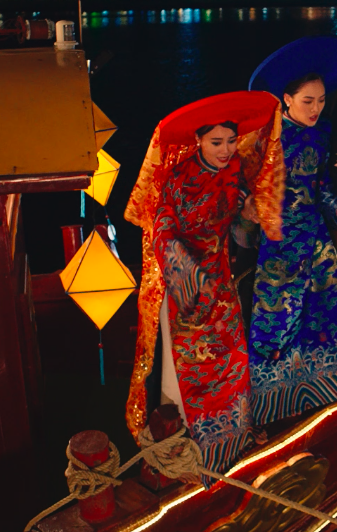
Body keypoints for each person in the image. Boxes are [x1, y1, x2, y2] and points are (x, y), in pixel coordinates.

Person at [123, 91, 284, 476]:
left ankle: (235, 431)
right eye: (216, 142)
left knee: (232, 357)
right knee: (192, 365)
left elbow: (240, 225)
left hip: (221, 278)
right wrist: (188, 275)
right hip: (186, 283)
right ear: (198, 140)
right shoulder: (178, 179)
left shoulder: (236, 170)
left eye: (230, 140)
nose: (226, 150)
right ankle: (191, 440)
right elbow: (162, 229)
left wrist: (249, 213)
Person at [247, 44, 337, 425]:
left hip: (315, 236)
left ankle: (330, 381)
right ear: (286, 100)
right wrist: (248, 207)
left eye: (320, 100)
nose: (316, 108)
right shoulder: (266, 137)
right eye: (307, 101)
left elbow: (322, 188)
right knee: (277, 319)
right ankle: (273, 402)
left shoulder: (322, 132)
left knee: (325, 310)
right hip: (280, 240)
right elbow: (243, 182)